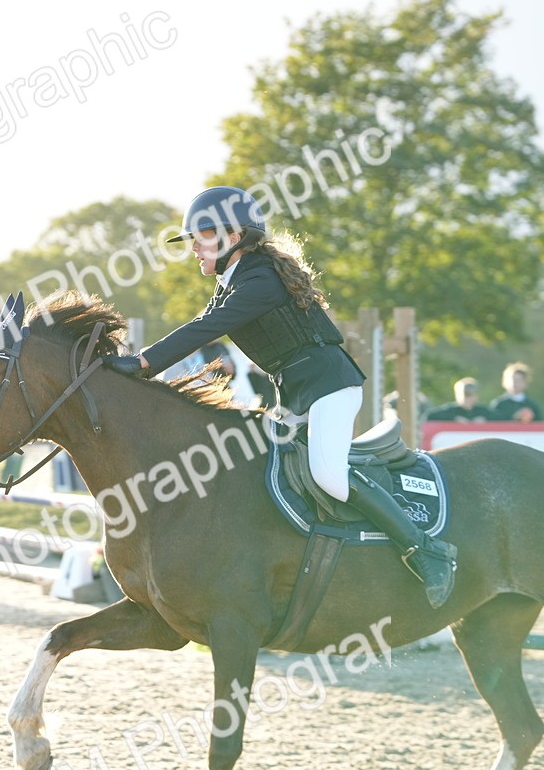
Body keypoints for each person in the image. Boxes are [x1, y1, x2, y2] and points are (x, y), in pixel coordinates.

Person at [102, 186, 457, 608]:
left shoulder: (261, 280)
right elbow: (200, 321)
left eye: (202, 236)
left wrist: (144, 365)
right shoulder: (235, 279)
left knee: (327, 474)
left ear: (233, 237)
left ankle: (425, 551)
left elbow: (205, 329)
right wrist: (137, 360)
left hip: (329, 388)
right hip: (295, 394)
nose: (194, 247)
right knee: (252, 466)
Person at [424, 378, 496, 422]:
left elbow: (500, 417)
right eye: (465, 395)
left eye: (471, 396)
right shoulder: (451, 410)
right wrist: (454, 419)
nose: (468, 399)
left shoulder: (482, 411)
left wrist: (485, 419)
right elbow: (430, 415)